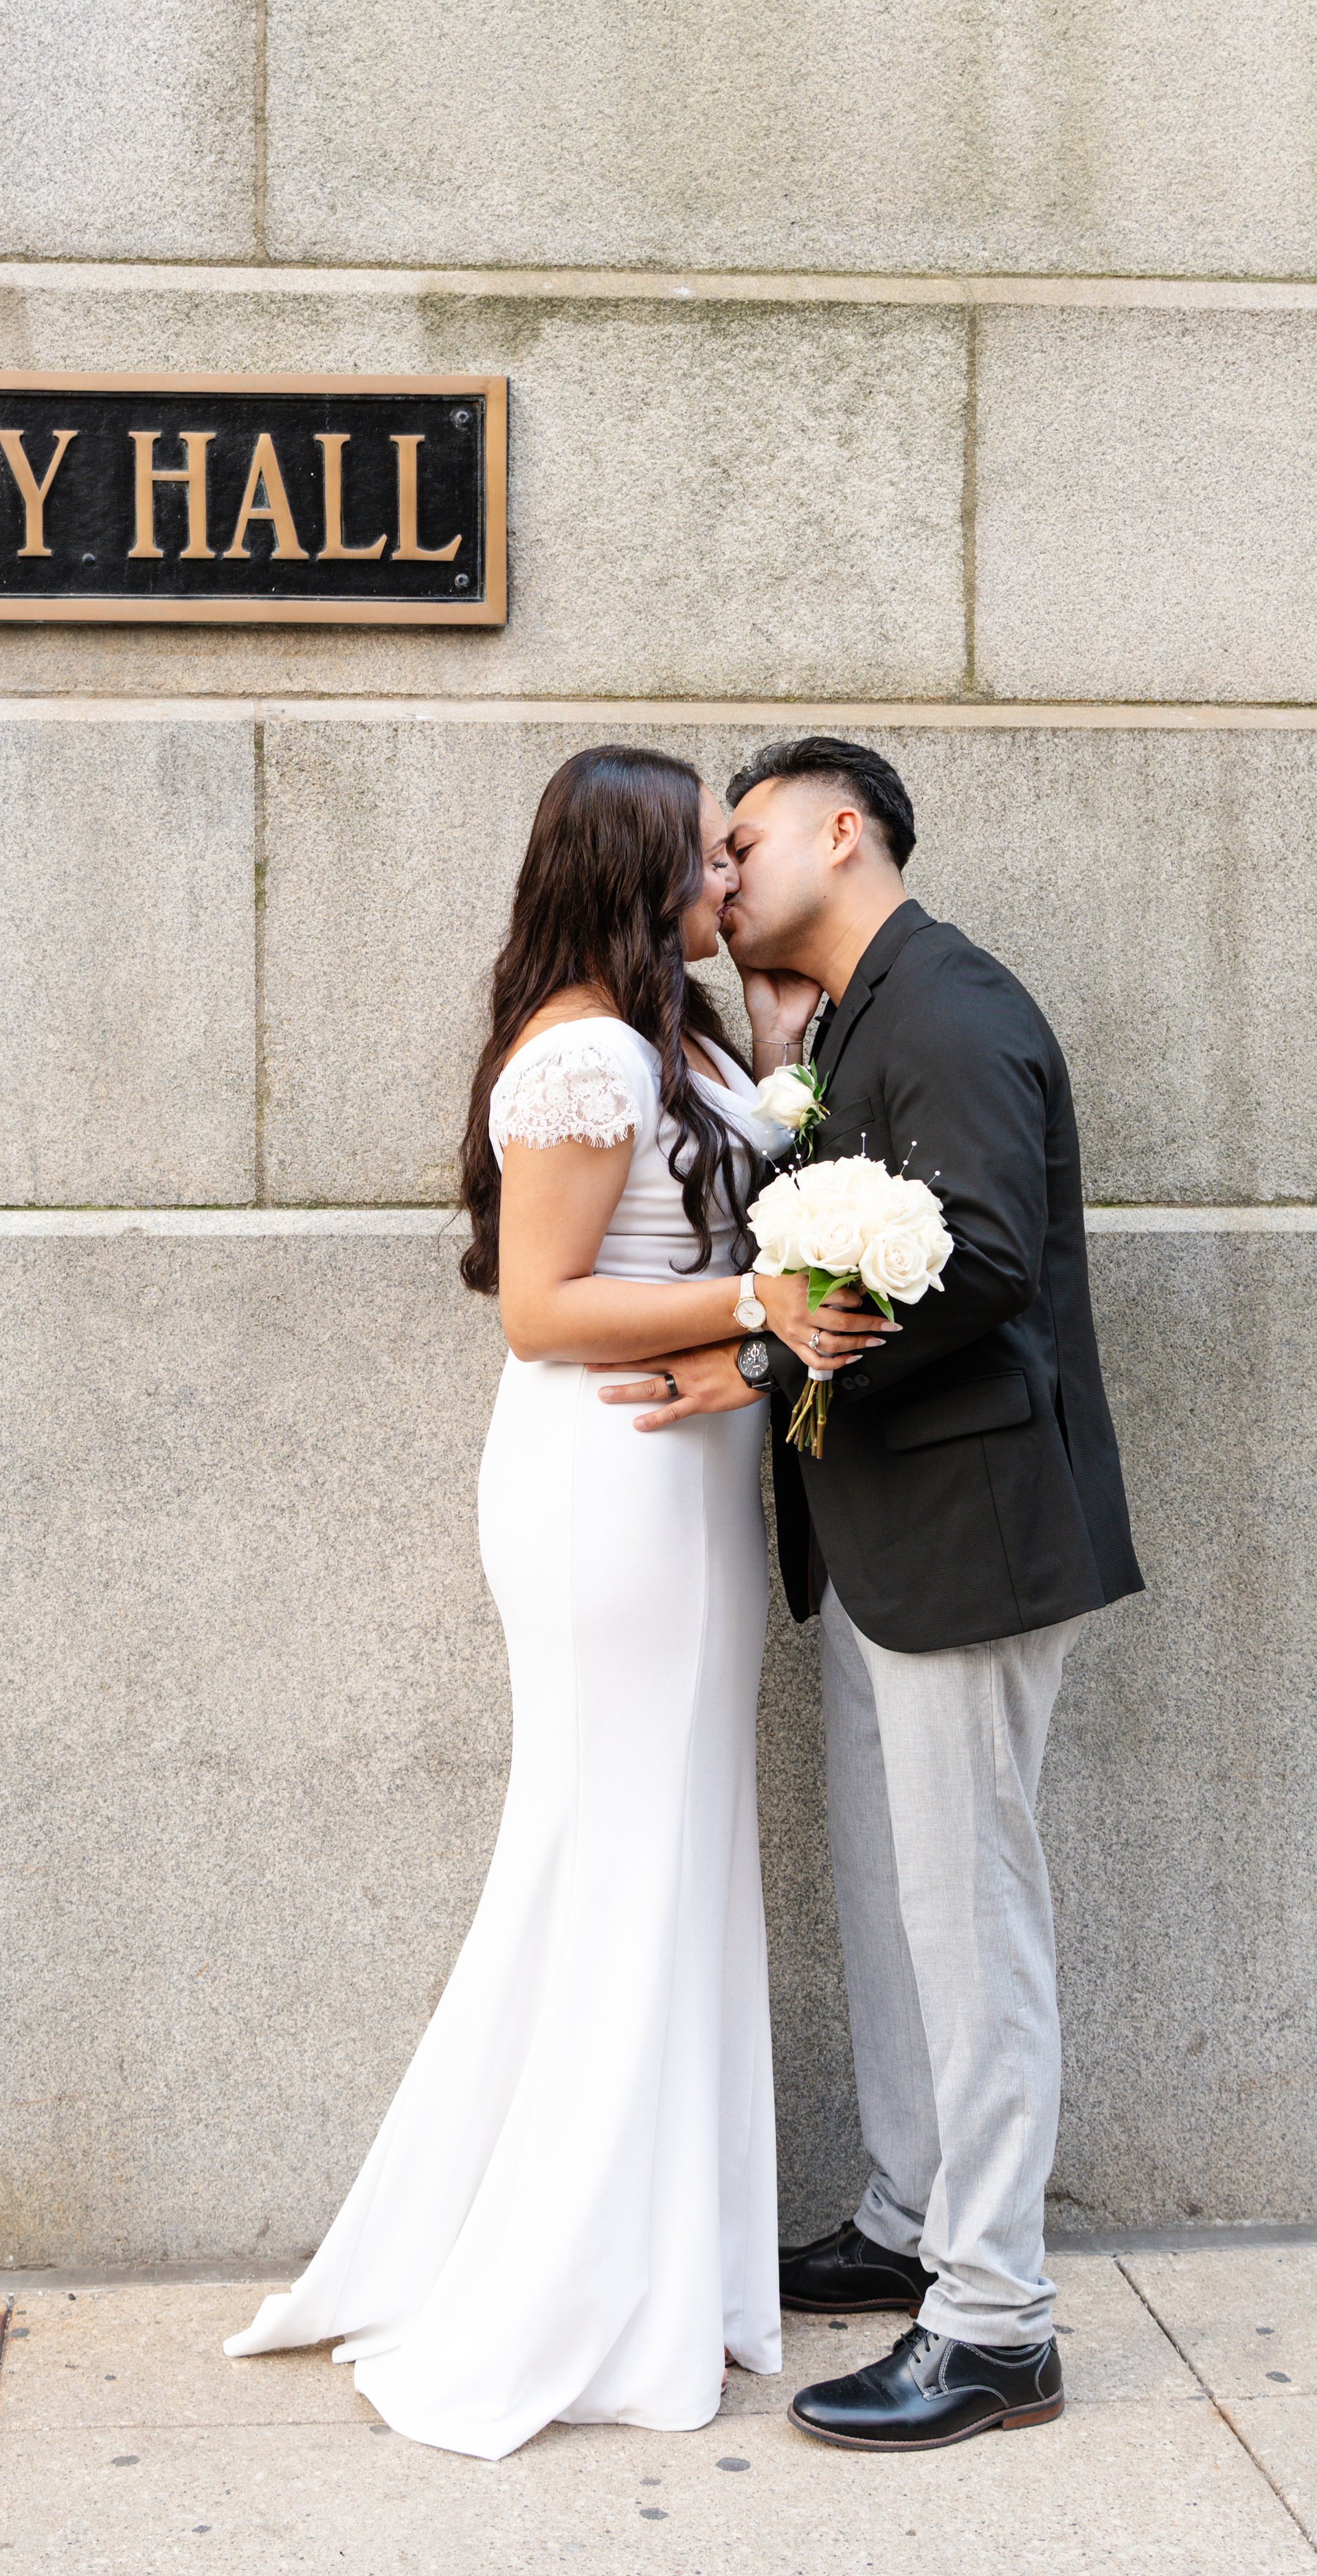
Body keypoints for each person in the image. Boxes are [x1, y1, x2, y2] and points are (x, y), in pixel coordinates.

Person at [223, 743, 876, 2459]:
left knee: (668, 1843)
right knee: (614, 1842)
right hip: (601, 1488)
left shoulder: (666, 1036)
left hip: (682, 1487)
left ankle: (674, 2253)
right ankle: (572, 2275)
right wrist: (766, 1295)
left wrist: (770, 1044)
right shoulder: (580, 1052)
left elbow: (746, 1158)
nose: (730, 881)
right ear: (634, 867)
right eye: (703, 859)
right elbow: (539, 1307)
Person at [600, 736, 1142, 2453]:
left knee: (968, 1926)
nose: (720, 876)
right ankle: (911, 2222)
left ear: (845, 833)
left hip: (968, 1538)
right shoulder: (841, 1024)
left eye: (741, 841)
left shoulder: (952, 1010)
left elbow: (973, 1256)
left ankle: (995, 2324)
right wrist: (774, 1078)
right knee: (902, 1912)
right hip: (878, 1540)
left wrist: (764, 1356)